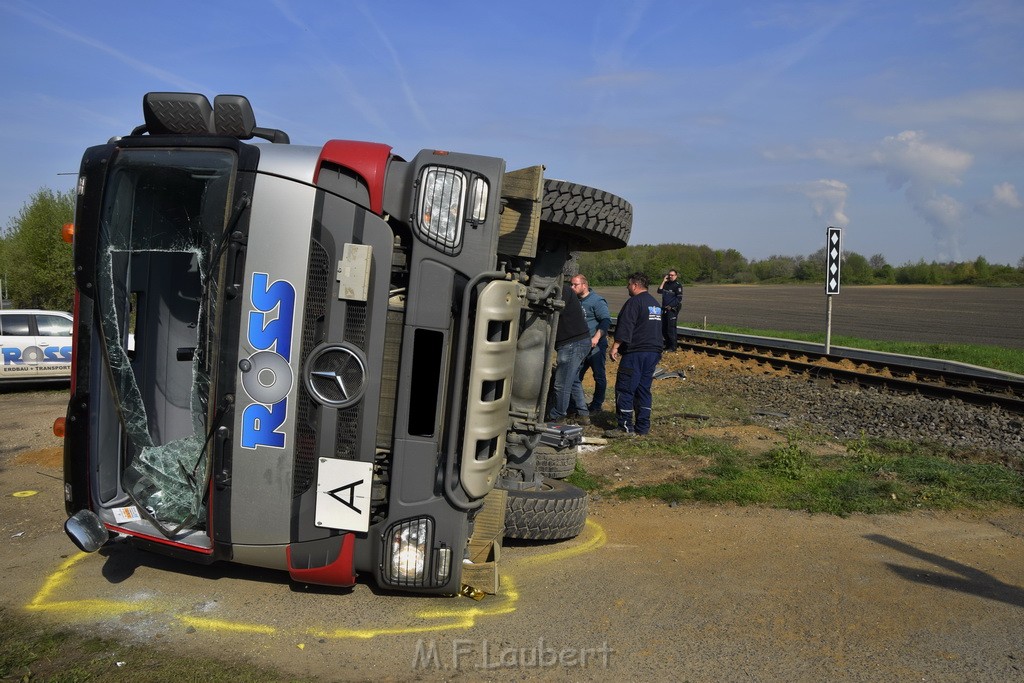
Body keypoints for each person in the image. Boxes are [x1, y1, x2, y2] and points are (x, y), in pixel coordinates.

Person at [606, 272, 662, 437]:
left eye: (628, 284)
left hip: (636, 353)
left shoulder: (634, 302)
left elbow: (626, 326)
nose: (627, 287)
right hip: (653, 352)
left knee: (625, 388)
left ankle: (624, 427)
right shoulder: (654, 303)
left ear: (635, 285)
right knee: (643, 389)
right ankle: (643, 427)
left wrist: (615, 346)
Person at [547, 282, 591, 424]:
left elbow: (554, 311)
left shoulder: (562, 290)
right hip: (579, 341)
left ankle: (558, 415)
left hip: (572, 343)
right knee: (573, 381)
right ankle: (582, 413)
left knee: (562, 383)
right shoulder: (564, 289)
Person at [569, 274, 611, 414]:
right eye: (571, 284)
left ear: (584, 285)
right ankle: (575, 405)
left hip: (595, 346)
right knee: (575, 376)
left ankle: (596, 404)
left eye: (575, 285)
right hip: (580, 346)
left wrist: (596, 338)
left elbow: (606, 321)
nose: (572, 287)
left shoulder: (596, 301)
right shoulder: (574, 300)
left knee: (598, 376)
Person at [657, 269, 683, 352]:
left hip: (672, 310)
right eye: (669, 275)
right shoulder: (666, 284)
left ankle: (673, 347)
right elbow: (659, 291)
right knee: (663, 328)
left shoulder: (678, 286)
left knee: (671, 329)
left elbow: (679, 298)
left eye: (672, 275)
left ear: (676, 276)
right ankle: (667, 345)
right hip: (664, 309)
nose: (670, 276)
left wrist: (670, 306)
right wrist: (663, 281)